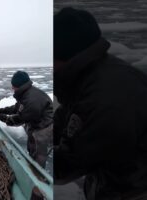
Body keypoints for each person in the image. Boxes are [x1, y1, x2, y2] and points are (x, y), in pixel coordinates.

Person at [53, 7, 147, 200]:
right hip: (116, 179)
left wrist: (28, 156)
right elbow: (69, 115)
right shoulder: (92, 72)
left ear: (64, 53)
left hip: (133, 190)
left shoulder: (105, 100)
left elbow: (69, 163)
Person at [0, 71, 53, 167]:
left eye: (13, 86)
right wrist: (2, 110)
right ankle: (32, 160)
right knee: (32, 148)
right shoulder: (27, 93)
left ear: (19, 86)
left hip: (43, 129)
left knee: (38, 155)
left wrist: (5, 119)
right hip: (35, 123)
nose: (12, 88)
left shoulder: (32, 100)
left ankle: (37, 175)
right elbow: (17, 108)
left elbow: (22, 118)